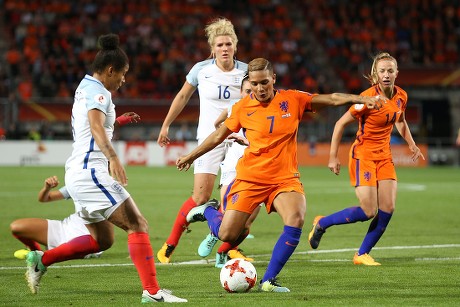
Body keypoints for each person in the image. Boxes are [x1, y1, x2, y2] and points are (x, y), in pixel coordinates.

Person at [176, 57, 384, 292]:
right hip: (250, 178)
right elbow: (217, 136)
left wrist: (361, 98)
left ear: (273, 79)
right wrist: (191, 156)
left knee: (295, 218)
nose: (259, 88)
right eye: (254, 84)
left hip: (284, 178)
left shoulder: (293, 99)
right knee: (227, 234)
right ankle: (208, 210)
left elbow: (332, 98)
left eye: (264, 82)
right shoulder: (242, 107)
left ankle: (268, 280)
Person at [24, 34, 187, 303]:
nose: (124, 80)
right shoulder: (100, 91)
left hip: (78, 171)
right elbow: (97, 128)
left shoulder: (85, 87)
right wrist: (113, 158)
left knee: (102, 241)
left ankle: (42, 260)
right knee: (138, 224)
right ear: (110, 70)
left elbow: (94, 127)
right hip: (91, 171)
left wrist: (117, 121)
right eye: (122, 74)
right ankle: (153, 292)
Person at [308, 52, 424, 266]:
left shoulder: (401, 96)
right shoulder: (367, 99)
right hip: (363, 155)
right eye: (382, 71)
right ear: (376, 74)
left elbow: (400, 120)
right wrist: (333, 157)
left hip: (385, 156)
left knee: (388, 208)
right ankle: (322, 223)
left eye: (390, 70)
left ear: (397, 73)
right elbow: (340, 123)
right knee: (368, 211)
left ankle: (361, 254)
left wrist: (411, 143)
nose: (386, 74)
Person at [156, 18, 248, 264]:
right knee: (199, 197)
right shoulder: (201, 70)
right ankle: (171, 242)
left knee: (236, 198)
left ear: (235, 46)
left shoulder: (247, 72)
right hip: (209, 139)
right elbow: (183, 96)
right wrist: (166, 125)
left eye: (229, 43)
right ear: (213, 48)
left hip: (238, 139)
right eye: (220, 44)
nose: (225, 48)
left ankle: (227, 247)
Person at [11, 113, 140, 260]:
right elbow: (44, 199)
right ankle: (35, 253)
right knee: (16, 227)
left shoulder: (107, 188)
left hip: (85, 238)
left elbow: (127, 221)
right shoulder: (84, 182)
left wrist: (135, 245)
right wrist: (47, 187)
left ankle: (45, 257)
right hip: (65, 227)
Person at [197, 75, 260, 268]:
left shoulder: (265, 110)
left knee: (247, 223)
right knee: (228, 215)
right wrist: (230, 135)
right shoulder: (235, 108)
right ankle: (209, 218)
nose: (252, 93)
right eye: (247, 91)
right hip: (234, 166)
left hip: (257, 169)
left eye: (254, 90)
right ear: (241, 92)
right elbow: (218, 124)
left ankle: (222, 251)